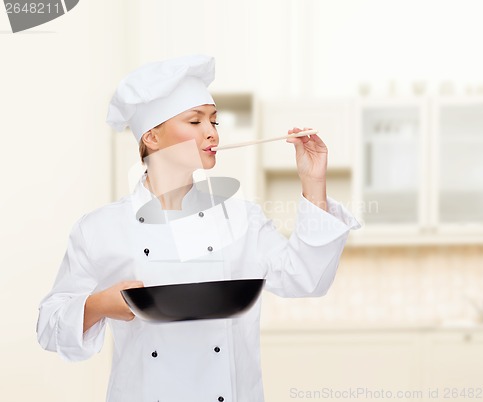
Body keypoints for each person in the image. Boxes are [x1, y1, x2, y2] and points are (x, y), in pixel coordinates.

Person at [37, 54, 360, 402]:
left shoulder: (241, 220)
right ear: (152, 138)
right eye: (195, 121)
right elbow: (49, 328)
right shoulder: (101, 229)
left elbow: (307, 279)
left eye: (214, 122)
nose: (212, 133)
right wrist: (98, 305)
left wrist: (314, 181)